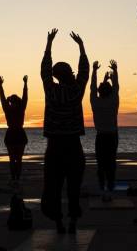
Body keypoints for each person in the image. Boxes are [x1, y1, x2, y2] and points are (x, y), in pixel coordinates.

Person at [41, 29, 89, 234]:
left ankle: (59, 221)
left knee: (54, 186)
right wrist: (81, 47)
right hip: (72, 144)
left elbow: (44, 70)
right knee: (73, 187)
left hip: (54, 146)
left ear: (55, 76)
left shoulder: (51, 90)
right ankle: (72, 221)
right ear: (69, 74)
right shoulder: (76, 90)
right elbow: (85, 71)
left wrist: (49, 43)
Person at [90, 60, 119, 201]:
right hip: (112, 136)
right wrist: (115, 73)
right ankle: (110, 190)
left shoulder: (95, 102)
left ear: (99, 92)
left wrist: (94, 70)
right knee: (111, 164)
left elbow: (93, 88)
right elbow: (116, 88)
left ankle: (103, 190)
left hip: (101, 137)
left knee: (101, 165)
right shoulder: (113, 101)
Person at [0, 75, 28, 184]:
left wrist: (1, 86)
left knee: (14, 158)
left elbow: (3, 99)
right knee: (17, 159)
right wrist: (25, 84)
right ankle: (16, 178)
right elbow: (24, 98)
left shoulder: (12, 109)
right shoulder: (18, 108)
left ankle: (15, 178)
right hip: (16, 134)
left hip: (14, 134)